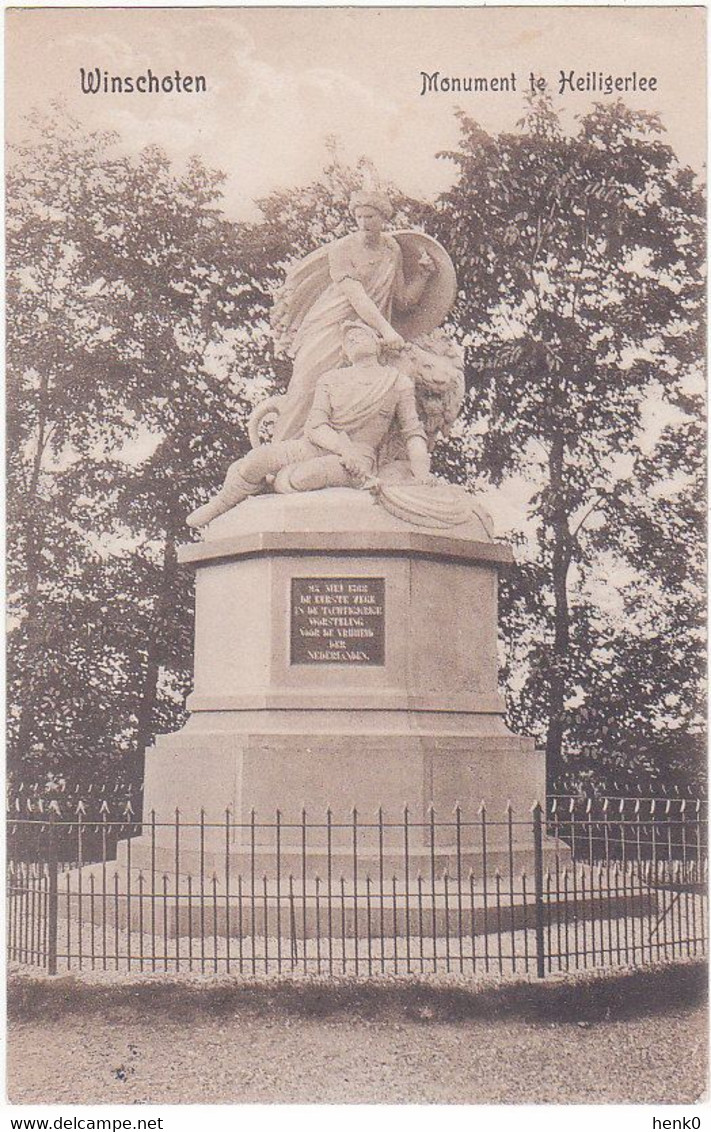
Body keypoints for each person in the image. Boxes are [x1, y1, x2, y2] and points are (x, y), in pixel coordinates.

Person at [186, 322, 430, 528]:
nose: (355, 339)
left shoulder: (397, 382)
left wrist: (422, 475)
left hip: (360, 458)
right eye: (349, 340)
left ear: (377, 343)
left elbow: (413, 433)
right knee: (256, 459)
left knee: (305, 476)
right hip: (318, 446)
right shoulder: (331, 379)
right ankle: (222, 503)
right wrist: (343, 449)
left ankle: (278, 482)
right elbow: (315, 426)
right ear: (344, 352)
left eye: (361, 334)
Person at [270, 190, 436, 441]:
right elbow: (356, 296)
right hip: (331, 325)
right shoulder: (343, 248)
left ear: (383, 218)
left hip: (367, 333)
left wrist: (424, 276)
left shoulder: (392, 249)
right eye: (358, 217)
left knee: (354, 395)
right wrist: (388, 331)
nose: (363, 223)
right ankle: (279, 454)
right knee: (307, 385)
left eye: (370, 217)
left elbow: (402, 300)